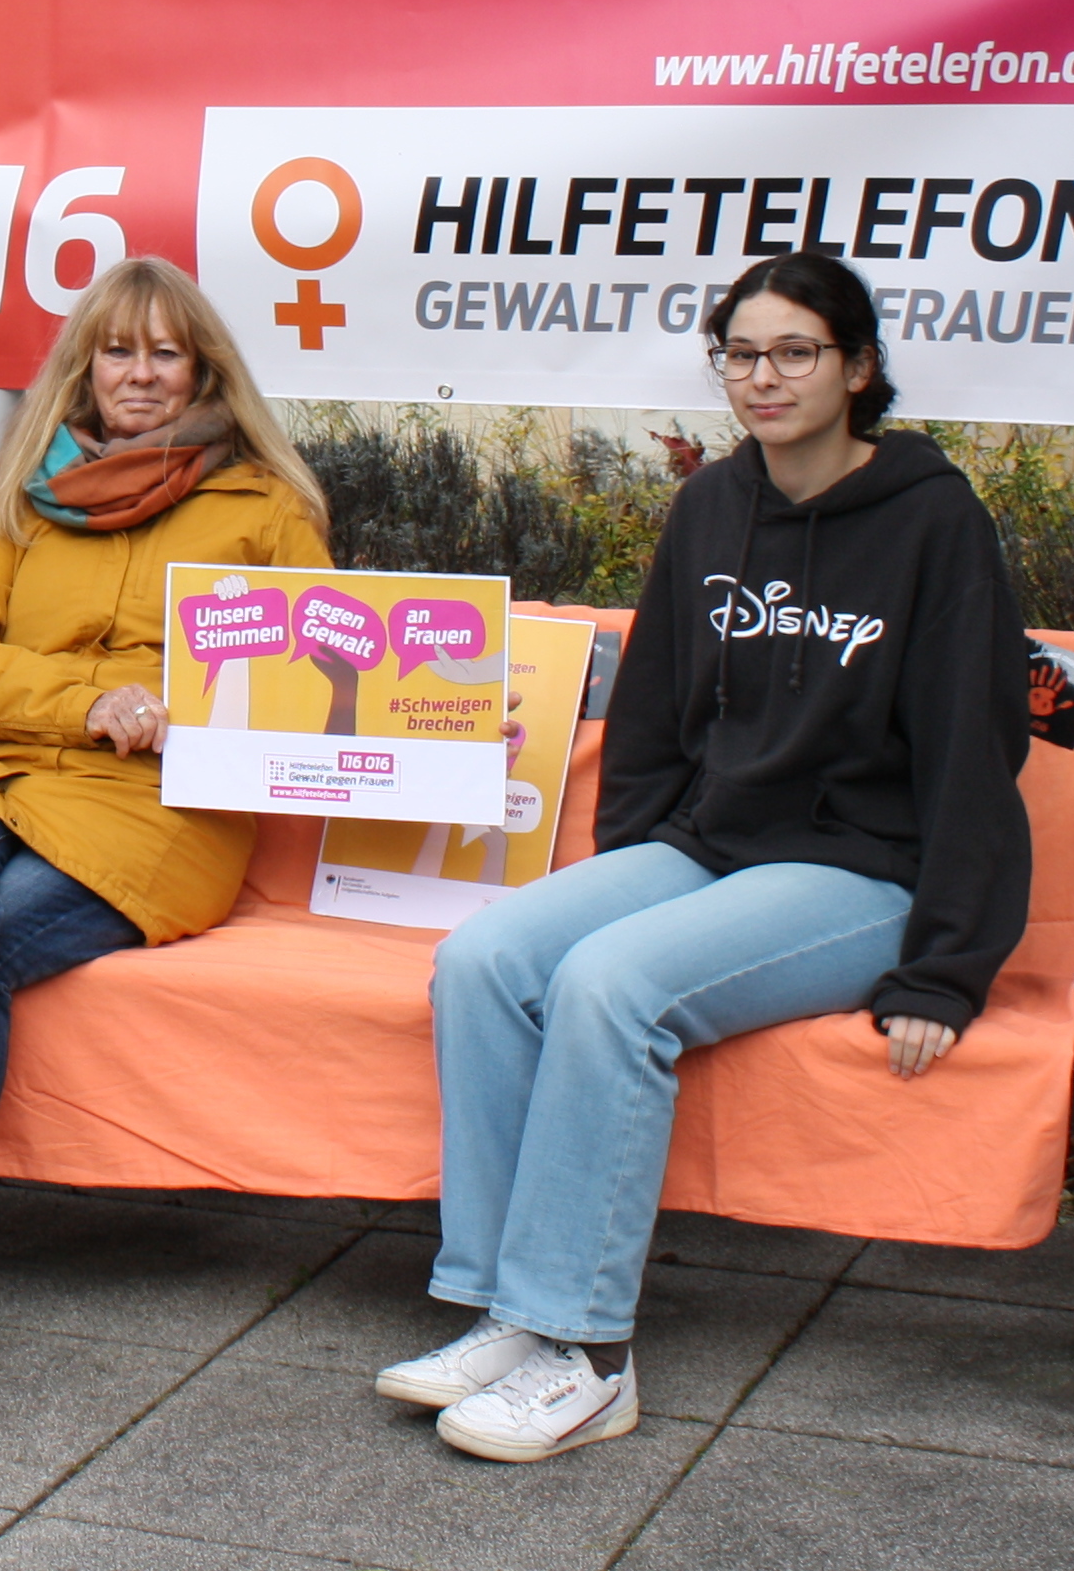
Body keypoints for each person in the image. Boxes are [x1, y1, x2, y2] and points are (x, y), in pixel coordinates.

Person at [383, 249, 1031, 1464]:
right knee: (487, 957)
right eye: (742, 354)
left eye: (796, 353)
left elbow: (970, 745)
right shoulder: (713, 506)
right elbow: (658, 714)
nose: (764, 378)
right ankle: (505, 1310)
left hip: (859, 873)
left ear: (859, 368)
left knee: (612, 987)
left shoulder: (935, 521)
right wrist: (622, 874)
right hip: (709, 847)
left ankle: (589, 1353)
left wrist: (945, 965)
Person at [0, 256, 330, 1382]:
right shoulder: (23, 496)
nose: (139, 374)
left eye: (164, 352)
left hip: (163, 813)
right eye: (117, 350)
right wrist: (86, 702)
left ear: (204, 370)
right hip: (16, 778)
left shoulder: (268, 508)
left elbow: (319, 682)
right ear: (85, 368)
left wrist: (185, 709)